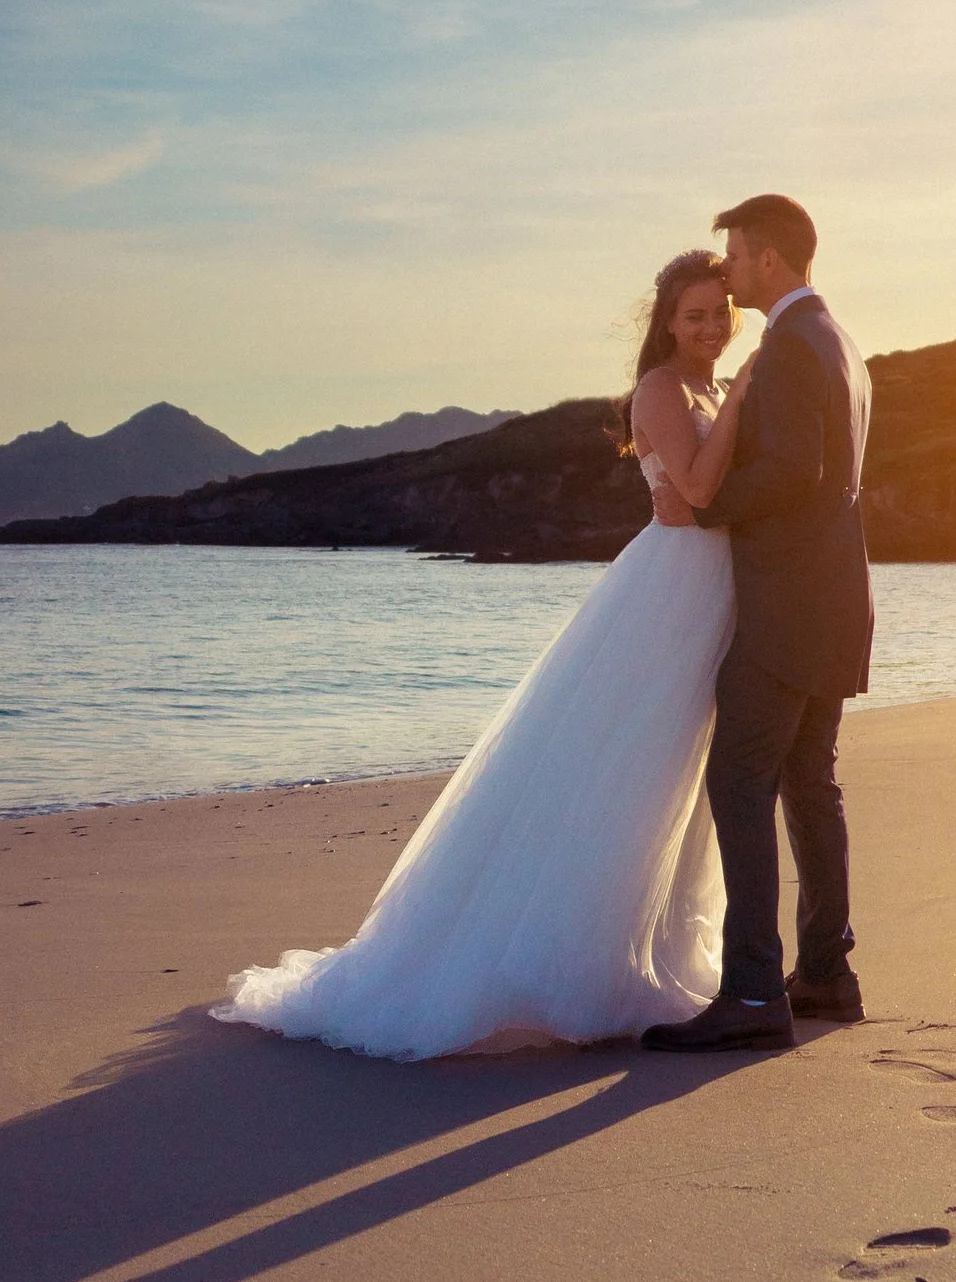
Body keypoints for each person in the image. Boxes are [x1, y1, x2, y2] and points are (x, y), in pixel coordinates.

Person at [213, 250, 752, 1057]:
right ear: (667, 323)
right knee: (631, 774)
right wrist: (747, 398)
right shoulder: (664, 389)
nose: (711, 328)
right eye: (695, 315)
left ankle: (660, 951)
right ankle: (575, 966)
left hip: (712, 591)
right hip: (671, 591)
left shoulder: (710, 387)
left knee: (678, 782)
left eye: (721, 312)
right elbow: (699, 495)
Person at [641, 191, 873, 1053]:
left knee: (741, 783)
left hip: (783, 608)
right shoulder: (839, 340)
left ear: (768, 259)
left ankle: (749, 994)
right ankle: (824, 975)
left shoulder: (786, 348)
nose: (730, 271)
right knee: (810, 783)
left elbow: (794, 474)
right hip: (837, 602)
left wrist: (701, 507)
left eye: (736, 256)